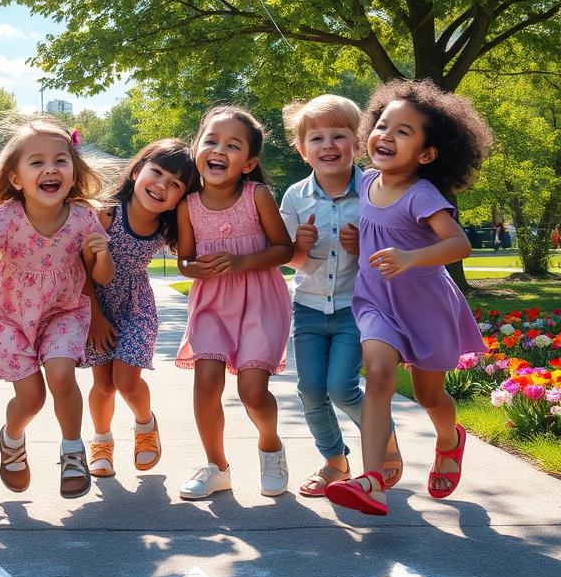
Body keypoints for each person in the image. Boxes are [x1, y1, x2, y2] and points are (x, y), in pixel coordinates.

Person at [325, 79, 492, 517]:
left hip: (425, 306)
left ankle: (449, 440)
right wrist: (357, 243)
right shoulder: (366, 183)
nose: (386, 135)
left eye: (403, 132)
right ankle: (373, 481)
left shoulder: (423, 194)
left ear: (427, 153)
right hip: (377, 301)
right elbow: (378, 232)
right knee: (378, 375)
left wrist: (410, 256)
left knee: (429, 395)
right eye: (382, 125)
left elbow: (458, 245)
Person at [0, 115, 114, 498]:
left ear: (74, 173)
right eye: (36, 162)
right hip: (12, 317)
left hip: (64, 311)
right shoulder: (6, 218)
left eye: (60, 160)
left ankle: (72, 452)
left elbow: (102, 277)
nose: (50, 169)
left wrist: (103, 254)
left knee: (61, 376)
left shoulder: (82, 219)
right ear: (15, 178)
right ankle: (12, 439)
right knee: (32, 398)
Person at [279, 96, 401, 497]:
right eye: (316, 137)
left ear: (359, 140)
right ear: (302, 149)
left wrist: (361, 248)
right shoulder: (295, 197)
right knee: (311, 390)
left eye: (339, 135)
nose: (328, 145)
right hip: (310, 307)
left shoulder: (374, 190)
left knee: (341, 387)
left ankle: (382, 439)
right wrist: (299, 245)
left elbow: (392, 252)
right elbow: (292, 262)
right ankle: (336, 462)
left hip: (358, 308)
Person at [175, 106, 293, 499]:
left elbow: (283, 250)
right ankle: (217, 466)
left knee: (252, 392)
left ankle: (270, 446)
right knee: (206, 382)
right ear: (197, 149)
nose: (218, 149)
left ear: (249, 163)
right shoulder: (186, 206)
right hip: (212, 302)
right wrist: (196, 269)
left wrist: (241, 261)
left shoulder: (256, 195)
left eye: (232, 145)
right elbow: (185, 260)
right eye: (211, 140)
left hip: (260, 300)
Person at [85, 139, 197, 478]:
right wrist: (93, 316)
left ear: (182, 197)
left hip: (136, 305)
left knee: (126, 380)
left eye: (175, 184)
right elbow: (79, 267)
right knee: (103, 385)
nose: (162, 186)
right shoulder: (106, 213)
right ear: (137, 171)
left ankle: (145, 425)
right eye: (157, 173)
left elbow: (190, 258)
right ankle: (101, 442)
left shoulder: (167, 226)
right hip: (94, 303)